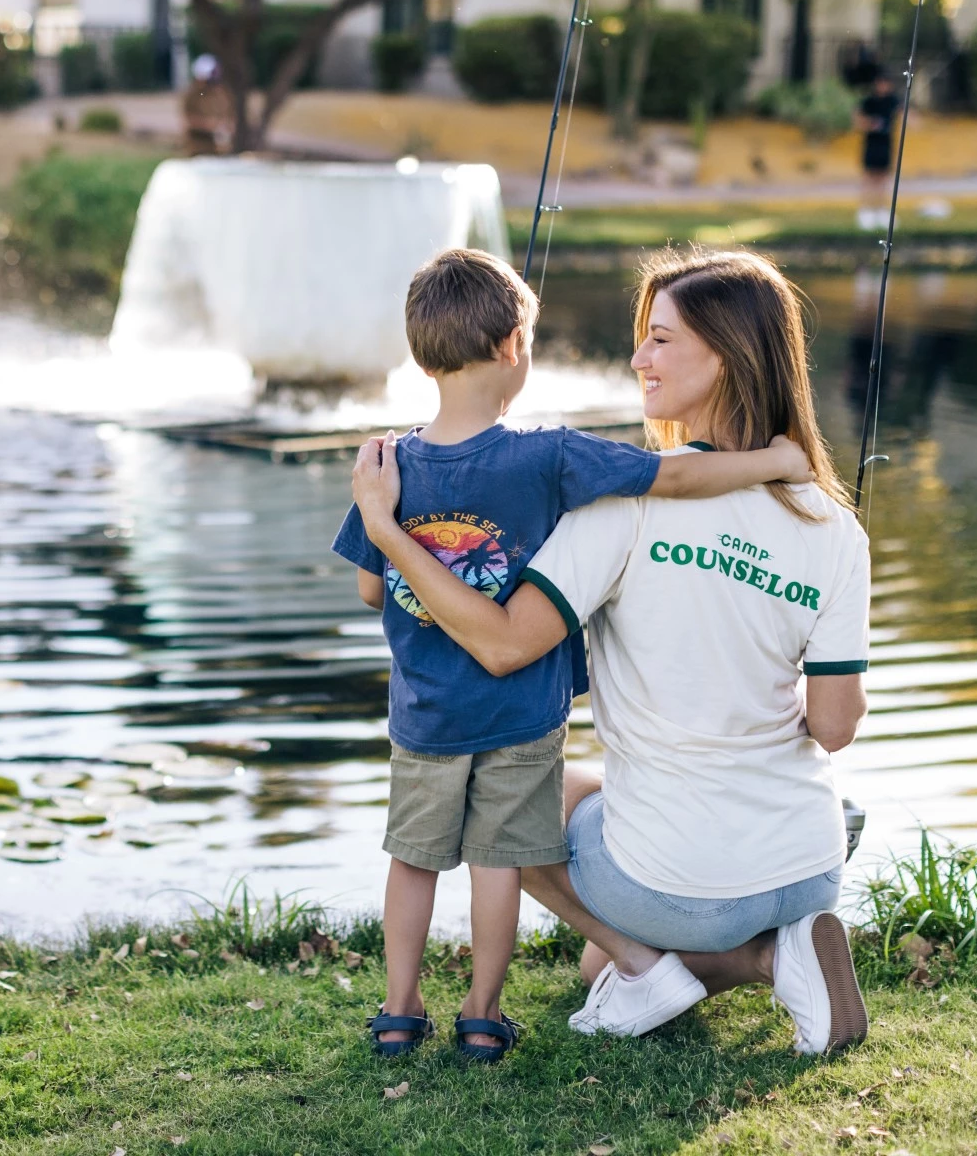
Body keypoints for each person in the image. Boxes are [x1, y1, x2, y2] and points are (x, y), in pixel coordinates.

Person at [350, 248, 872, 1056]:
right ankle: (775, 935)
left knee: (515, 794)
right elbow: (834, 728)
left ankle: (758, 958)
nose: (637, 359)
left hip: (684, 884)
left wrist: (386, 530)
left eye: (661, 340)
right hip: (809, 857)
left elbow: (500, 647)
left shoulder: (619, 507)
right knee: (597, 948)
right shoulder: (835, 525)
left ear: (728, 356)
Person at [854, 70, 900, 231]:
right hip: (871, 144)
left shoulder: (892, 101)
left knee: (883, 178)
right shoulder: (869, 102)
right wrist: (871, 124)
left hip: (886, 145)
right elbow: (858, 120)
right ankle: (866, 211)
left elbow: (904, 114)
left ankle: (881, 211)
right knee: (869, 178)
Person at [181, 54, 231, 155]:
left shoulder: (221, 93)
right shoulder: (192, 95)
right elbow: (188, 120)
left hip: (219, 149)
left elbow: (228, 115)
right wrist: (209, 125)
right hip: (198, 147)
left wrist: (225, 125)